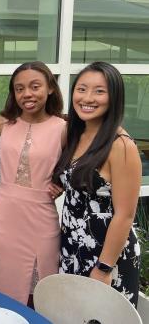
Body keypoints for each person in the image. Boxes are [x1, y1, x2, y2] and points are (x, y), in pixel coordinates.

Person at [53, 62, 141, 306]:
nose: (88, 98)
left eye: (99, 91)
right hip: (72, 245)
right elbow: (77, 182)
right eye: (81, 89)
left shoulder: (121, 146)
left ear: (114, 97)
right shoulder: (74, 132)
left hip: (106, 253)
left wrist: (103, 268)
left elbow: (125, 215)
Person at [0, 61, 65, 304]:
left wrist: (61, 183)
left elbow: (77, 167)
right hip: (5, 218)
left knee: (41, 288)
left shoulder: (64, 128)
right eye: (19, 88)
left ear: (51, 88)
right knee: (6, 286)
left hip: (41, 217)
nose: (27, 94)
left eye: (35, 86)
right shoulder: (4, 124)